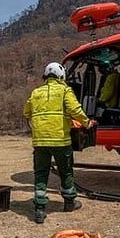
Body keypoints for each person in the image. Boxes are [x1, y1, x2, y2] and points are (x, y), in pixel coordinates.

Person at [23, 62, 94, 224]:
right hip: (61, 141)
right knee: (66, 171)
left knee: (41, 173)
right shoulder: (64, 90)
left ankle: (39, 209)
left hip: (40, 143)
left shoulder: (35, 92)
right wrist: (86, 123)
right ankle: (69, 202)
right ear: (61, 75)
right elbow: (75, 110)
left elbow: (26, 112)